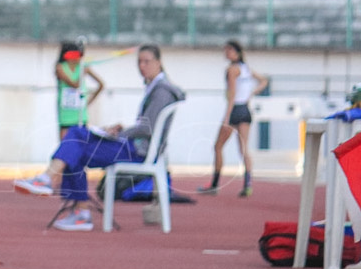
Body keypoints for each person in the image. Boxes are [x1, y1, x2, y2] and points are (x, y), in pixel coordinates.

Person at [14, 44, 185, 231]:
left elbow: (147, 128)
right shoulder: (157, 88)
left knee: (76, 136)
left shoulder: (162, 91)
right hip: (134, 146)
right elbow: (147, 127)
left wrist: (119, 133)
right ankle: (78, 211)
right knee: (76, 143)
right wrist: (119, 131)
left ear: (159, 63)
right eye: (139, 62)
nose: (141, 66)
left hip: (137, 151)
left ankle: (52, 183)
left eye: (146, 61)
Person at [198, 40, 269, 197]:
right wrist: (252, 93)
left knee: (218, 147)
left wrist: (227, 116)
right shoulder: (246, 69)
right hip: (245, 109)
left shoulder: (232, 70)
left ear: (236, 52)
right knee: (243, 149)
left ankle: (215, 184)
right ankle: (248, 185)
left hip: (236, 109)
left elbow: (232, 94)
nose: (226, 53)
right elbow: (264, 81)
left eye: (228, 50)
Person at [55, 40, 104, 140]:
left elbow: (101, 84)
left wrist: (87, 102)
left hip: (81, 116)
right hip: (66, 117)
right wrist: (82, 72)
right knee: (66, 148)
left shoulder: (82, 67)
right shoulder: (60, 68)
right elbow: (74, 85)